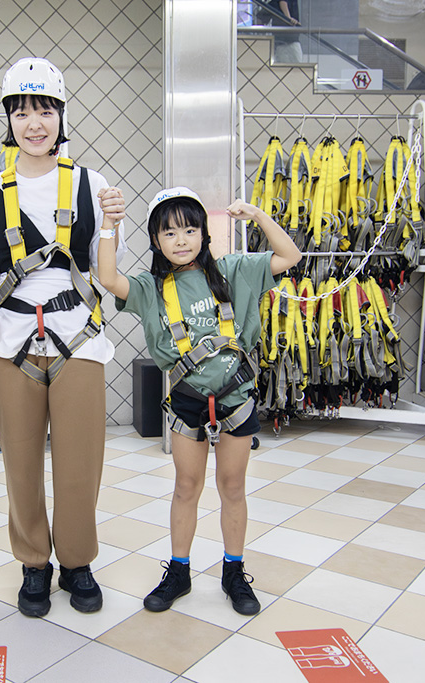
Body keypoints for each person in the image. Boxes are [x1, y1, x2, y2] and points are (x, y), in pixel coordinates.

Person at [0, 57, 127, 618]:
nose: (35, 123)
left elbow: (105, 270)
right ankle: (34, 562)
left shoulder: (90, 184)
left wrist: (113, 224)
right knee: (21, 462)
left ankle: (76, 562)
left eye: (46, 111)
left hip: (79, 336)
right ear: (9, 119)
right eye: (23, 112)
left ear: (61, 116)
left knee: (81, 462)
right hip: (12, 342)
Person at [96, 187, 301, 615]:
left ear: (205, 234)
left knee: (232, 486)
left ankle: (233, 572)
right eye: (169, 233)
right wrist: (110, 226)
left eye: (190, 230)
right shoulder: (150, 288)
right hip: (187, 401)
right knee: (186, 486)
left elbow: (290, 256)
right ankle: (180, 571)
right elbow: (109, 278)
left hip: (236, 399)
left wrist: (257, 215)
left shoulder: (235, 270)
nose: (181, 240)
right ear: (156, 241)